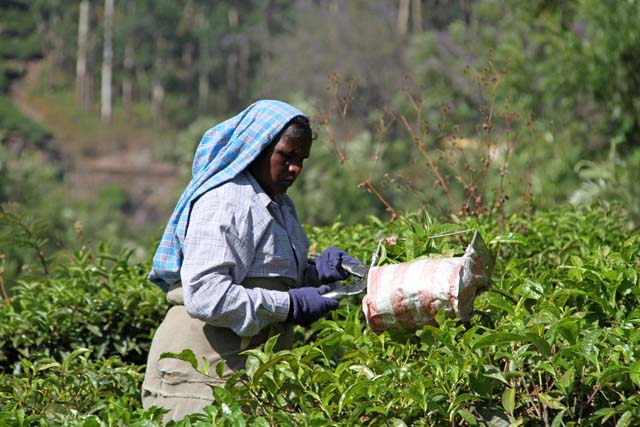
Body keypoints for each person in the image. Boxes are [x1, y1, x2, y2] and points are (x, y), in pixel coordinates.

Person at [141, 100, 360, 421]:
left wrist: (316, 275)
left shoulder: (280, 206)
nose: (295, 168)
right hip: (201, 375)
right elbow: (206, 296)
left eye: (301, 159)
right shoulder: (226, 201)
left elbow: (265, 274)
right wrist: (291, 305)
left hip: (241, 372)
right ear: (256, 149)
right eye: (286, 155)